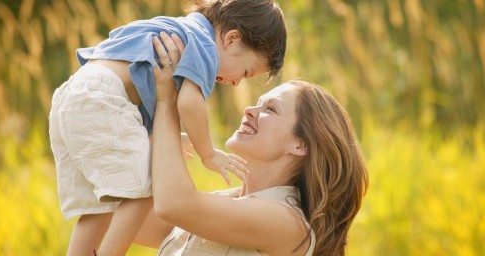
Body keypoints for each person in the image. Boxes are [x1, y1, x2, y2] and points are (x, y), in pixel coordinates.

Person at [48, 0, 287, 254]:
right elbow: (189, 103)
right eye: (246, 72)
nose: (237, 83)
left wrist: (156, 137)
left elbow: (137, 80)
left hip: (73, 95)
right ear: (231, 39)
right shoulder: (205, 47)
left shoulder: (182, 29)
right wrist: (208, 153)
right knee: (149, 185)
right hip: (104, 98)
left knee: (98, 206)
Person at [134, 34, 368, 255]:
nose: (249, 110)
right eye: (258, 103)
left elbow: (174, 205)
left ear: (300, 145)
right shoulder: (224, 202)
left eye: (271, 109)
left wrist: (166, 101)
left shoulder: (288, 222)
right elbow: (127, 214)